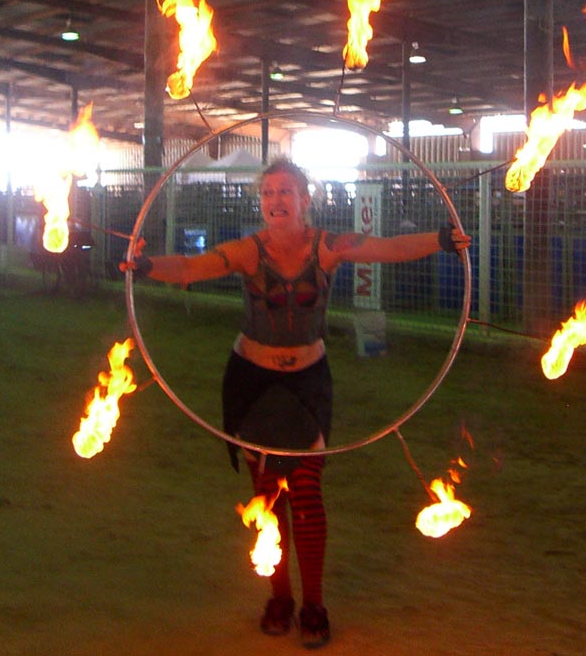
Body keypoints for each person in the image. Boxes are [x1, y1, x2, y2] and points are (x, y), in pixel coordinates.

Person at [125, 157, 469, 648]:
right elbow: (189, 268)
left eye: (286, 192)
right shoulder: (247, 252)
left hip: (308, 383)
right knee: (266, 494)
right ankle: (279, 596)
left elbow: (387, 248)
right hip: (251, 383)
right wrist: (143, 264)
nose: (276, 200)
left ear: (306, 200)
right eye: (268, 193)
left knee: (306, 493)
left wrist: (442, 240)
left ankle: (314, 605)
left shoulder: (327, 247)